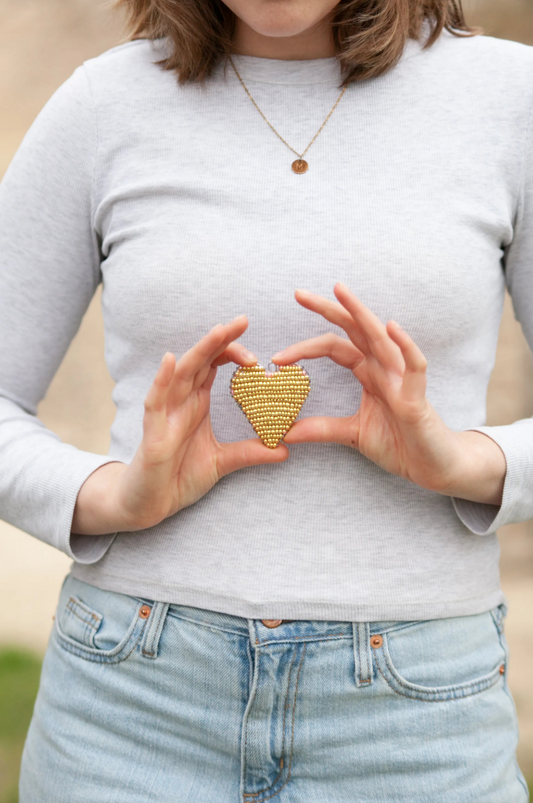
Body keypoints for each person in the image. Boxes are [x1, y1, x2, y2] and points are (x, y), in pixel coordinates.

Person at [0, 0, 531, 799]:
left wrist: (467, 460)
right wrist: (105, 496)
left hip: (417, 720)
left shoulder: (509, 99)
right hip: (128, 705)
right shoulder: (99, 104)